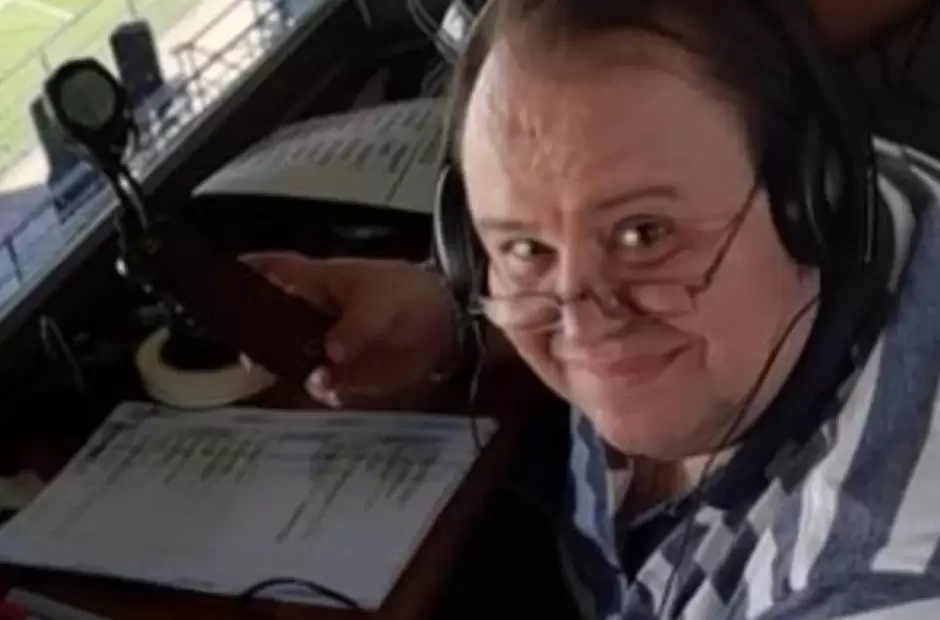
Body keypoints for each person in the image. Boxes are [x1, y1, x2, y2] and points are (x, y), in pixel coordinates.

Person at [244, 0, 940, 617]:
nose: (582, 323)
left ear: (808, 196)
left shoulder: (881, 582)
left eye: (644, 235)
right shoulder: (824, 203)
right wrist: (450, 317)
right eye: (525, 247)